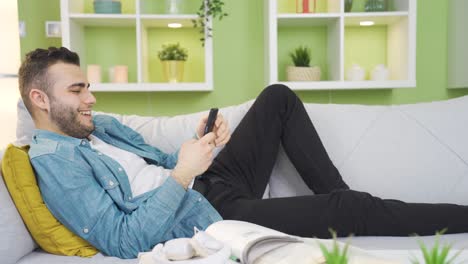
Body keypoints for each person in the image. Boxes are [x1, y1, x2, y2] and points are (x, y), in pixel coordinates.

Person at [19, 47, 468, 259]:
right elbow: (122, 241)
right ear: (40, 99)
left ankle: (348, 210)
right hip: (208, 213)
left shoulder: (103, 127)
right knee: (348, 206)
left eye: (88, 87)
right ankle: (351, 211)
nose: (91, 99)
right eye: (77, 90)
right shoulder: (54, 163)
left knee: (277, 97)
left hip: (205, 181)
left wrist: (199, 147)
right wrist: (182, 177)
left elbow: (157, 164)